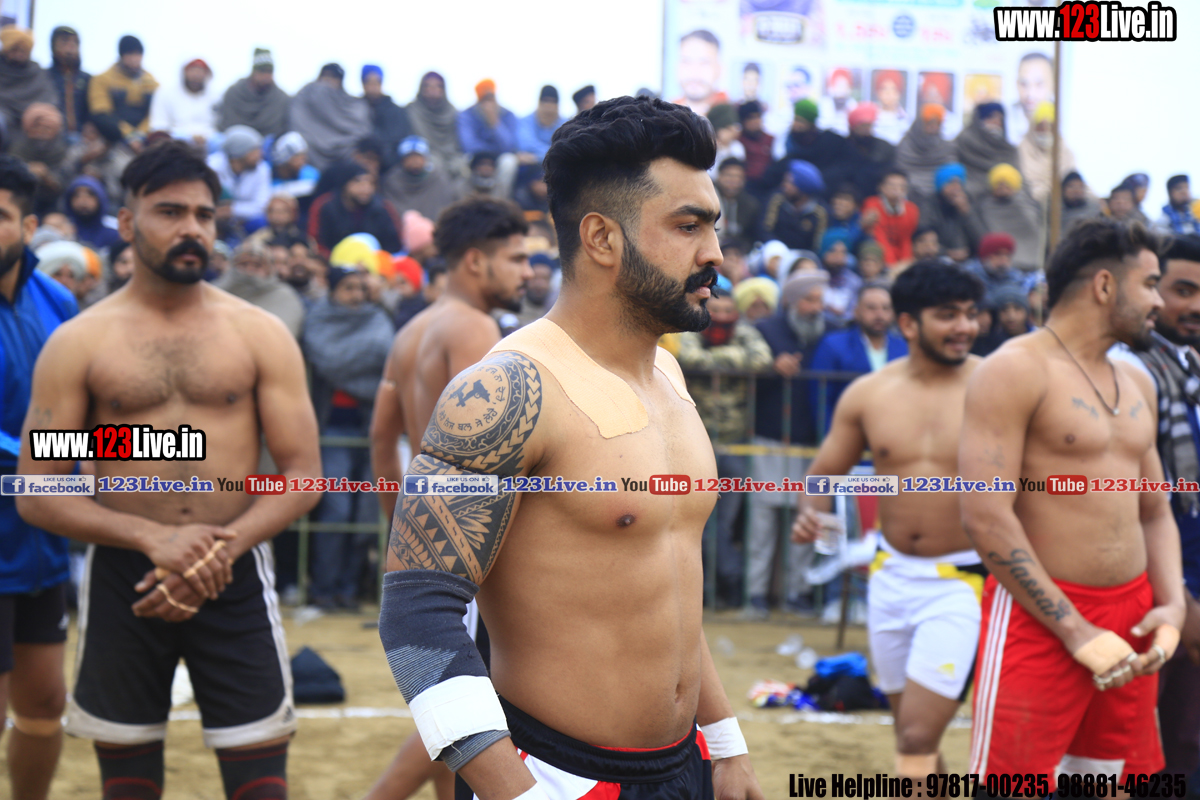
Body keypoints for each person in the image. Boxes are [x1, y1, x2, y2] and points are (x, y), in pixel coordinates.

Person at [377, 96, 762, 800]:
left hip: (684, 766)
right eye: (688, 226)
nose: (714, 253)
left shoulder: (668, 377)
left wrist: (726, 742)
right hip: (556, 774)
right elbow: (415, 617)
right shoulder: (507, 388)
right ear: (602, 238)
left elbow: (667, 587)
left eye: (714, 226)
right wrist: (519, 794)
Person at [14, 140, 324, 800]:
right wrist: (155, 539)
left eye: (204, 215)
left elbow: (303, 475)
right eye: (170, 212)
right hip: (126, 574)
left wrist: (218, 550)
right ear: (127, 223)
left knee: (261, 785)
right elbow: (37, 489)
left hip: (234, 569)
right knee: (127, 784)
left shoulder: (259, 332)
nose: (192, 229)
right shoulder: (80, 342)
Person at [959, 217, 1185, 779]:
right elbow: (986, 516)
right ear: (1105, 285)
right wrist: (1075, 629)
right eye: (1149, 284)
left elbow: (1155, 508)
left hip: (1133, 617)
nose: (1158, 301)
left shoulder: (1138, 381)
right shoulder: (1014, 369)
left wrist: (1172, 606)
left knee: (1113, 782)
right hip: (1040, 619)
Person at [793, 261, 986, 781]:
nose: (965, 327)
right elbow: (822, 476)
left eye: (971, 314)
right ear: (908, 323)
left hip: (964, 582)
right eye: (948, 315)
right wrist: (811, 515)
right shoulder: (869, 393)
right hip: (890, 577)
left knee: (917, 738)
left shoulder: (995, 387)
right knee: (911, 736)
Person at [366, 196, 531, 800]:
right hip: (474, 545)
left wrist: (407, 531)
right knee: (468, 709)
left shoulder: (412, 330)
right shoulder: (473, 328)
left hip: (439, 537)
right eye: (515, 259)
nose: (528, 272)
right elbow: (492, 450)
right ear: (474, 261)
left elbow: (381, 440)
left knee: (461, 698)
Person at [0, 155, 77, 800]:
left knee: (46, 703)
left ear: (27, 226)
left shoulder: (58, 300)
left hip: (41, 536)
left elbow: (86, 415)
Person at [1114, 235, 1200, 777]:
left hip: (1189, 572)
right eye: (1181, 290)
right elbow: (1125, 501)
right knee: (1129, 743)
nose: (1195, 306)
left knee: (1187, 746)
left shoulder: (1188, 368)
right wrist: (1179, 598)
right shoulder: (1126, 371)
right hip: (1146, 587)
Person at [301, 265, 394, 610]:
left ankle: (349, 590)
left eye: (360, 289)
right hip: (331, 432)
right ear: (332, 291)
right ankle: (323, 588)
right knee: (336, 510)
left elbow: (387, 355)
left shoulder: (378, 319)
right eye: (348, 288)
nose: (356, 295)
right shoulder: (318, 322)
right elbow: (331, 359)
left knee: (365, 513)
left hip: (371, 429)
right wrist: (366, 357)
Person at [676, 289, 774, 607]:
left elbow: (761, 360)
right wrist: (735, 362)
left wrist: (714, 363)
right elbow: (688, 358)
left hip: (735, 444)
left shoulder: (745, 333)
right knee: (695, 521)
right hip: (695, 443)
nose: (721, 317)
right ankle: (709, 587)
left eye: (729, 310)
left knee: (725, 522)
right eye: (715, 310)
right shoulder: (691, 328)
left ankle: (724, 585)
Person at [746, 270, 829, 618]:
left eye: (820, 301)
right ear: (792, 302)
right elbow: (747, 382)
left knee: (806, 517)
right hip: (770, 437)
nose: (816, 308)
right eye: (809, 300)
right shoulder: (766, 331)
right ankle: (756, 593)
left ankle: (799, 592)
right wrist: (770, 369)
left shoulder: (828, 333)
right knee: (763, 519)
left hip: (813, 443)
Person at [809, 282, 907, 434]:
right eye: (871, 308)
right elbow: (821, 399)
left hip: (894, 436)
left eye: (885, 308)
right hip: (849, 436)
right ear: (856, 311)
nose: (879, 315)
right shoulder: (833, 345)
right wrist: (832, 438)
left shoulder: (904, 348)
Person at [213, 239, 306, 338]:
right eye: (243, 264)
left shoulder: (284, 298)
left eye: (257, 265)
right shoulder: (214, 293)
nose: (249, 270)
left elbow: (282, 337)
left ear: (269, 270)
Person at [290, 64, 372, 171]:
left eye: (334, 77)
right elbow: (297, 124)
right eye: (325, 76)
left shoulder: (355, 106)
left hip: (344, 162)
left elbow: (362, 130)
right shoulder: (307, 95)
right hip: (309, 164)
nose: (328, 81)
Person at [315, 161, 402, 256]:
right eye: (359, 182)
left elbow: (394, 243)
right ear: (345, 183)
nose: (366, 188)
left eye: (370, 183)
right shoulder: (326, 206)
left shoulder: (382, 207)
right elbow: (318, 242)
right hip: (334, 261)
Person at [973, 164, 1044, 273]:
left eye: (1006, 184)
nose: (1002, 187)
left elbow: (1036, 228)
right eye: (999, 184)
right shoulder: (986, 207)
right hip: (1000, 264)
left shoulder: (1026, 203)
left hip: (1032, 262)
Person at [88, 35, 158, 144]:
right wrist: (129, 135)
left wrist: (140, 135)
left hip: (145, 140)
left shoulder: (151, 83)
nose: (134, 59)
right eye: (130, 54)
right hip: (113, 138)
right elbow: (101, 113)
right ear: (121, 55)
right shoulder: (102, 80)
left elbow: (157, 113)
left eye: (138, 54)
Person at [828, 103, 896, 204]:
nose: (867, 129)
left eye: (869, 125)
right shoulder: (841, 146)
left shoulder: (884, 147)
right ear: (853, 127)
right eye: (863, 125)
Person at [8, 103, 68, 217]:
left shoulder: (61, 151)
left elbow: (63, 183)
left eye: (47, 128)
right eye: (36, 127)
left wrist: (46, 177)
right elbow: (10, 178)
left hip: (53, 205)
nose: (41, 131)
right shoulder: (18, 149)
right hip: (23, 201)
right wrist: (26, 170)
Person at [207, 125, 272, 229]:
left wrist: (231, 210)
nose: (261, 154)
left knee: (261, 222)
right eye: (256, 150)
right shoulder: (211, 166)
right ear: (240, 153)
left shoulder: (262, 168)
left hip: (245, 222)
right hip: (215, 219)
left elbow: (261, 206)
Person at [218, 49, 290, 139]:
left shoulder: (280, 99)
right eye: (262, 71)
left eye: (269, 71)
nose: (266, 76)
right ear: (254, 72)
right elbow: (227, 123)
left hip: (269, 143)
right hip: (236, 141)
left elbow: (280, 129)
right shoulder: (235, 93)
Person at [919, 163, 984, 264]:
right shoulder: (929, 205)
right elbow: (924, 241)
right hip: (939, 259)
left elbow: (982, 241)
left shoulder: (969, 202)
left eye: (959, 183)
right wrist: (947, 253)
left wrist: (967, 213)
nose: (956, 187)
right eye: (950, 183)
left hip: (970, 260)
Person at [406, 72, 465, 179]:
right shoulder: (412, 112)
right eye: (428, 86)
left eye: (437, 86)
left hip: (452, 156)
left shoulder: (453, 113)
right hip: (424, 157)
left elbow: (459, 143)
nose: (432, 90)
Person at [0, 27, 57, 136]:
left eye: (23, 51)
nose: (18, 54)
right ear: (5, 50)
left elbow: (49, 99)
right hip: (4, 117)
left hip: (33, 120)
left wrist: (36, 112)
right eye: (14, 50)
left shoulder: (36, 72)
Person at [148, 58, 217, 147]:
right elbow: (159, 125)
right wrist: (190, 137)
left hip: (209, 142)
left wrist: (205, 137)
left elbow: (218, 126)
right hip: (175, 141)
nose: (196, 75)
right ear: (184, 72)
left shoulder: (215, 96)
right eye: (193, 71)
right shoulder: (165, 93)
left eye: (200, 71)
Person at [955, 103, 1018, 201]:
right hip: (971, 194)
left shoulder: (1008, 150)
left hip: (1005, 197)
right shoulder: (964, 142)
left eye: (1000, 119)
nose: (997, 122)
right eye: (991, 117)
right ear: (979, 120)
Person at [1017, 102, 1075, 208]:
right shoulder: (1021, 152)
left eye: (1050, 126)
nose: (1045, 131)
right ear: (1033, 127)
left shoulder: (1065, 153)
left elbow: (1072, 181)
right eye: (1041, 126)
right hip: (1028, 206)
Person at [895, 104, 954, 205]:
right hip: (910, 191)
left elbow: (949, 170)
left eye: (937, 123)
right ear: (920, 123)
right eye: (929, 123)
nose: (933, 127)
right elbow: (901, 170)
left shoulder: (945, 147)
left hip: (939, 193)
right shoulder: (906, 144)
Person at [762, 160, 827, 251]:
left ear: (802, 189)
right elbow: (765, 230)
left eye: (789, 183)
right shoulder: (776, 199)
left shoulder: (820, 213)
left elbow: (817, 245)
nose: (784, 185)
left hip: (803, 255)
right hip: (775, 251)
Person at [862, 170, 920, 270]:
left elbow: (906, 240)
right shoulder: (872, 204)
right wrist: (891, 265)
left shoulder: (912, 209)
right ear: (881, 187)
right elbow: (879, 236)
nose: (896, 189)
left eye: (901, 186)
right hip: (881, 258)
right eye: (892, 185)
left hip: (902, 260)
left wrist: (906, 265)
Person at [361, 65, 413, 173]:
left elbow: (399, 138)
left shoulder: (395, 111)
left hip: (391, 165)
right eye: (369, 82)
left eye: (376, 82)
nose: (372, 87)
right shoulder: (356, 108)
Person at [784, 99, 845, 188]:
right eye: (795, 119)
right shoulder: (790, 142)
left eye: (800, 120)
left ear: (810, 123)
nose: (796, 124)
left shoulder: (827, 143)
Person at [47, 26, 89, 139]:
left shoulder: (88, 79)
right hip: (53, 137)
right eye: (65, 40)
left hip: (83, 139)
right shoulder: (44, 77)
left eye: (75, 42)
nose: (71, 45)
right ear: (54, 46)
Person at [674, 29, 727, 115]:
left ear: (719, 69)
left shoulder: (735, 114)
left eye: (704, 62)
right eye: (686, 61)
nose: (694, 71)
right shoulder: (665, 112)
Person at [64, 175, 122, 253]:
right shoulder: (63, 229)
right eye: (77, 196)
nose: (83, 200)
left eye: (90, 194)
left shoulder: (115, 229)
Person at [1009, 52, 1053, 146]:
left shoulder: (1063, 120)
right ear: (1016, 84)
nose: (1030, 94)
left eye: (1039, 84)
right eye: (1023, 84)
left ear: (1052, 86)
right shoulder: (1004, 118)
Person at [714, 157, 760, 244]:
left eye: (738, 176)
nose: (733, 180)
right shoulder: (709, 198)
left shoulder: (750, 205)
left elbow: (750, 236)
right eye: (729, 175)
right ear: (719, 176)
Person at [736, 101, 774, 198]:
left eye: (758, 116)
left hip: (768, 188)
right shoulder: (737, 142)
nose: (756, 121)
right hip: (745, 189)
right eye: (751, 118)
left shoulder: (771, 140)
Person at [517, 85, 564, 163]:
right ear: (539, 103)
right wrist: (554, 154)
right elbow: (525, 145)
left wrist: (536, 157)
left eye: (553, 102)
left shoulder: (564, 124)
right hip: (530, 166)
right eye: (545, 101)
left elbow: (565, 150)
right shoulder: (526, 121)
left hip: (556, 165)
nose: (549, 106)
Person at [706, 104, 745, 181]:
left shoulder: (737, 147)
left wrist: (725, 146)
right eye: (728, 128)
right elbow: (710, 172)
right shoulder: (707, 147)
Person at [1059, 171, 1103, 238]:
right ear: (1063, 189)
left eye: (1080, 187)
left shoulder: (1094, 210)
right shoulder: (1054, 211)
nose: (1076, 191)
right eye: (1071, 186)